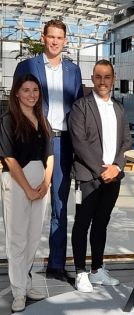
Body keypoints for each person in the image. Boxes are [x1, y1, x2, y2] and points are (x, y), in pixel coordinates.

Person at [13, 19, 83, 281]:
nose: (55, 41)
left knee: (59, 206)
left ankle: (56, 265)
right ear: (43, 38)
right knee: (29, 205)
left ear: (65, 41)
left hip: (63, 143)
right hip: (34, 141)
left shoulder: (73, 71)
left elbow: (77, 110)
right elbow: (16, 103)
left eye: (59, 38)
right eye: (51, 36)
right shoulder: (27, 66)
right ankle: (24, 267)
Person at [68, 59, 132, 293]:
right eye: (98, 76)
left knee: (102, 223)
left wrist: (117, 166)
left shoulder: (118, 107)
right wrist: (102, 170)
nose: (103, 81)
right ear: (92, 79)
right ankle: (80, 272)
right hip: (88, 177)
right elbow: (79, 142)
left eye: (107, 77)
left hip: (113, 177)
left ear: (113, 79)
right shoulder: (80, 107)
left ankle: (97, 270)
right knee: (82, 224)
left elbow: (127, 141)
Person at [0, 74, 54, 312]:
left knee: (33, 238)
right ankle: (18, 291)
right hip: (17, 181)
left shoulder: (43, 120)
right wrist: (28, 189)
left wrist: (46, 184)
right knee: (17, 239)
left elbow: (50, 156)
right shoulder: (8, 120)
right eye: (26, 90)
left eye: (35, 90)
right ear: (17, 93)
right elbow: (9, 159)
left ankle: (27, 281)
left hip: (41, 181)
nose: (32, 94)